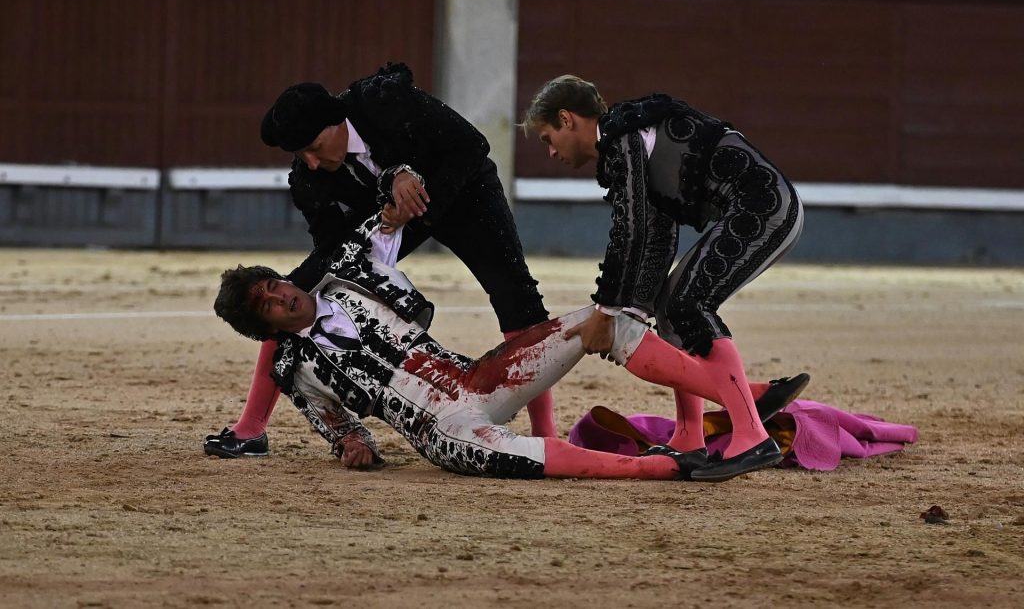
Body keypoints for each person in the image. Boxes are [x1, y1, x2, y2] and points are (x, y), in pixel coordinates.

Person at [212, 213, 807, 481]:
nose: (281, 295)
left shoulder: (344, 271)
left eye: (275, 284)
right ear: (263, 327)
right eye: (266, 303)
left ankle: (742, 406)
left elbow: (384, 223)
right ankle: (668, 466)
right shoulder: (292, 368)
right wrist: (352, 446)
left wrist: (399, 191)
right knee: (532, 455)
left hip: (477, 380)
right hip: (438, 433)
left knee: (602, 321)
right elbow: (337, 425)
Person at [205, 63, 558, 461]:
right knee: (292, 293)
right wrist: (361, 252)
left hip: (463, 192)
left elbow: (471, 146)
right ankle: (251, 429)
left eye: (315, 148)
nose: (313, 162)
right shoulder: (308, 177)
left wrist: (420, 205)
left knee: (516, 296)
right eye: (302, 154)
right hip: (390, 217)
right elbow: (334, 248)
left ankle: (546, 433)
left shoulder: (383, 101)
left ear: (337, 123)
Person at [522, 75, 805, 479]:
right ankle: (690, 436)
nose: (550, 152)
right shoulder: (629, 137)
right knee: (670, 307)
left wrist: (606, 312)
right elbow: (655, 236)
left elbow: (630, 232)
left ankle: (751, 435)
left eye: (548, 138)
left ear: (567, 119)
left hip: (764, 208)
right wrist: (634, 308)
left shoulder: (622, 140)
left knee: (688, 304)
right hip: (762, 207)